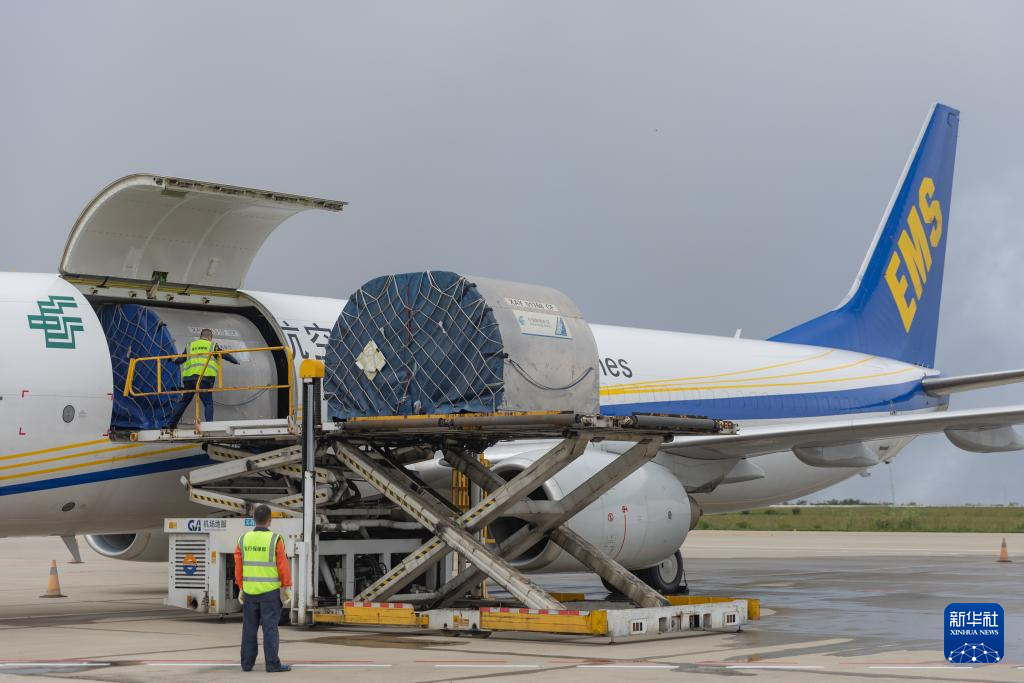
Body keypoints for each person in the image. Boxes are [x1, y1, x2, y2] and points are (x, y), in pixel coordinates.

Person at [235, 504, 292, 673]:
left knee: (249, 630)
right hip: (269, 593)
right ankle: (272, 664)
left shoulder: (243, 539)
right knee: (270, 629)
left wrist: (241, 587)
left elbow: (239, 566)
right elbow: (283, 566)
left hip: (250, 592)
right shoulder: (275, 539)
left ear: (253, 519)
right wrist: (286, 586)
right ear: (270, 520)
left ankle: (246, 664)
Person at [172, 328, 239, 424]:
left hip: (189, 379)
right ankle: (209, 424)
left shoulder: (190, 345)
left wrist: (172, 360)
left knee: (184, 401)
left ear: (200, 336)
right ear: (210, 337)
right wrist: (235, 361)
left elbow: (180, 360)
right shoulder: (212, 346)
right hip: (204, 379)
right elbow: (224, 355)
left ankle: (170, 424)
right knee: (208, 403)